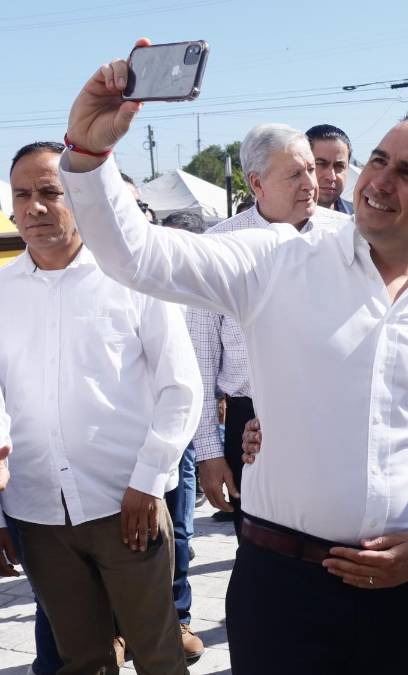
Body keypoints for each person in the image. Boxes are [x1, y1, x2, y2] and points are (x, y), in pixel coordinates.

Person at [61, 44, 408, 674]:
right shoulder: (276, 260)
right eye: (378, 159)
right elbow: (139, 256)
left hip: (402, 597)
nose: (379, 181)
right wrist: (89, 154)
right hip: (282, 590)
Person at [1, 141, 202, 674]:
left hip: (126, 505)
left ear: (79, 198)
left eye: (50, 192)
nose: (34, 207)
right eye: (21, 195)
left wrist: (148, 482)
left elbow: (181, 387)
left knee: (158, 655)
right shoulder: (2, 290)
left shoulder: (132, 277)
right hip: (36, 509)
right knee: (82, 660)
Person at [188, 123, 352, 547]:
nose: (311, 183)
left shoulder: (348, 237)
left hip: (336, 414)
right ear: (256, 183)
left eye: (311, 170)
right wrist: (209, 452)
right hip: (250, 425)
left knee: (336, 544)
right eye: (295, 174)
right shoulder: (219, 247)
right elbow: (199, 359)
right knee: (263, 548)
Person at [306, 123, 354, 214]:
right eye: (321, 164)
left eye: (339, 166)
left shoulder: (358, 219)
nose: (331, 177)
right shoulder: (279, 217)